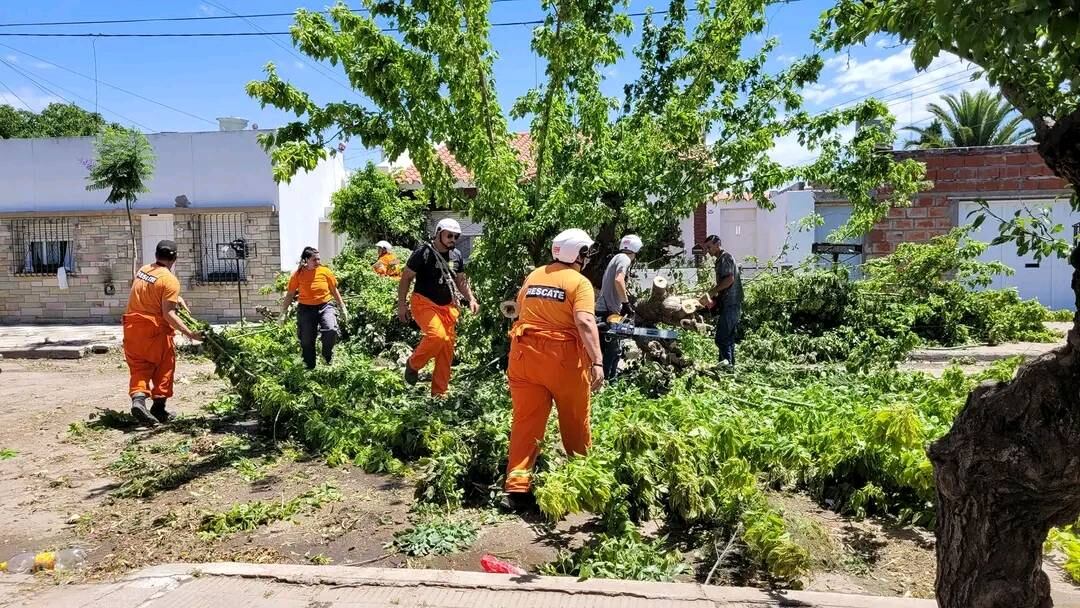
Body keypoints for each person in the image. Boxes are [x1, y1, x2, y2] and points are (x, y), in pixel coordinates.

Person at [502, 228, 605, 511]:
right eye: (586, 252)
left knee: (526, 421)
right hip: (562, 360)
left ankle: (517, 488)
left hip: (523, 356)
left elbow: (522, 309)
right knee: (574, 420)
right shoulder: (579, 283)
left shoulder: (535, 275)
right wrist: (597, 360)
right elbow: (584, 321)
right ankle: (583, 479)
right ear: (579, 254)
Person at [122, 240, 204, 426]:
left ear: (156, 255)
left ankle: (138, 401)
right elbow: (168, 314)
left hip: (132, 328)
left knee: (139, 367)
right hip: (155, 331)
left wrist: (176, 297)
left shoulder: (143, 270)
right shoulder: (170, 280)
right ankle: (158, 408)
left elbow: (153, 290)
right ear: (174, 258)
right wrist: (189, 333)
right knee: (164, 367)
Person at [397, 218, 479, 396]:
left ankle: (439, 394)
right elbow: (406, 278)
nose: (453, 239)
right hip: (423, 303)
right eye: (449, 235)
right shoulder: (423, 253)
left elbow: (461, 281)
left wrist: (471, 298)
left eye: (456, 236)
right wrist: (401, 305)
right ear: (439, 233)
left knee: (446, 350)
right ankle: (413, 365)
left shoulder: (456, 255)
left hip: (447, 307)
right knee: (437, 336)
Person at [280, 247, 348, 370]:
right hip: (306, 309)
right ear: (306, 260)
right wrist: (283, 312)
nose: (318, 262)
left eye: (318, 259)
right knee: (306, 340)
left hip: (325, 305)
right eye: (314, 260)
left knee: (331, 329)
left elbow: (334, 290)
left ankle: (327, 355)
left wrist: (342, 307)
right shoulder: (298, 274)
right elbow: (290, 293)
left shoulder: (325, 271)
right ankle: (310, 366)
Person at [595, 234, 642, 380]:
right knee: (613, 350)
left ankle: (604, 381)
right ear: (635, 249)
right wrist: (626, 304)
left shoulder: (616, 258)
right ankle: (608, 382)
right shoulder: (624, 258)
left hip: (605, 308)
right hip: (608, 311)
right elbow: (618, 280)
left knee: (607, 349)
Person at [700, 235, 743, 367]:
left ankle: (726, 366)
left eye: (709, 247)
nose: (707, 251)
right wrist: (713, 300)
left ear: (717, 244)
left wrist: (711, 292)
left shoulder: (725, 257)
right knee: (728, 339)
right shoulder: (720, 260)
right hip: (729, 303)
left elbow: (729, 280)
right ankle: (729, 368)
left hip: (731, 303)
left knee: (721, 337)